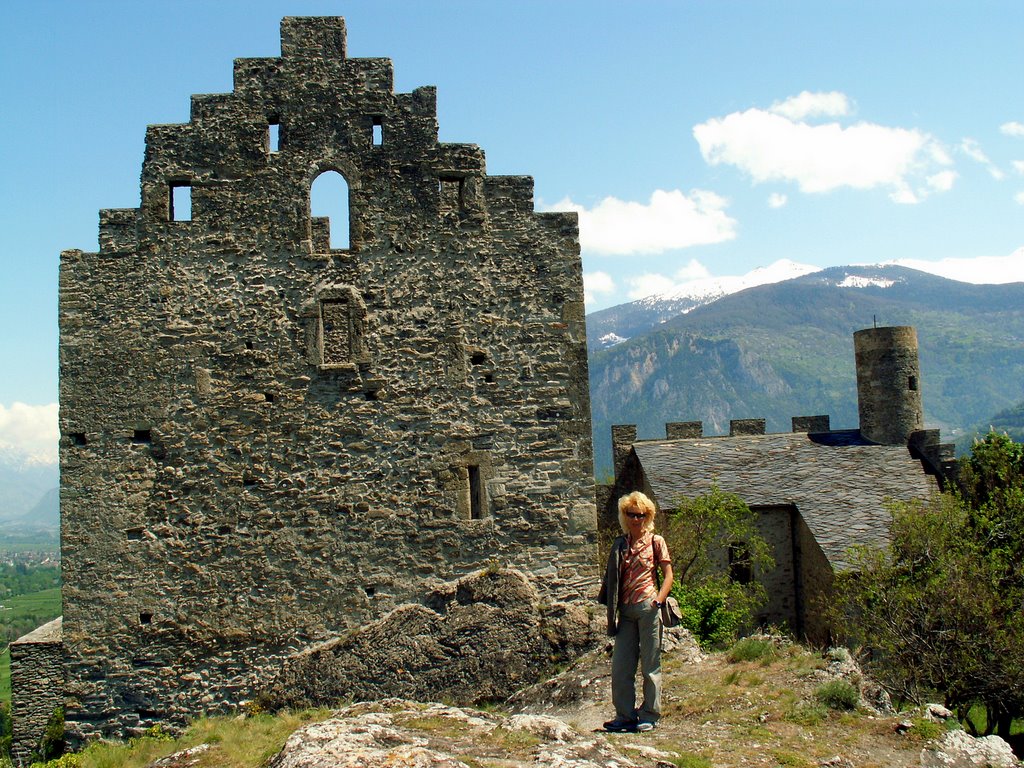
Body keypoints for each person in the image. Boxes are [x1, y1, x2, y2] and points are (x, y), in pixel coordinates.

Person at [597, 491, 673, 733]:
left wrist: (658, 601)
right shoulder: (620, 544)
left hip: (648, 608)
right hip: (626, 611)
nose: (635, 519)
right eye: (631, 514)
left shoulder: (656, 541)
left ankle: (650, 714)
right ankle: (625, 715)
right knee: (621, 667)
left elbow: (668, 575)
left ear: (647, 516)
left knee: (650, 665)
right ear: (624, 516)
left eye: (640, 515)